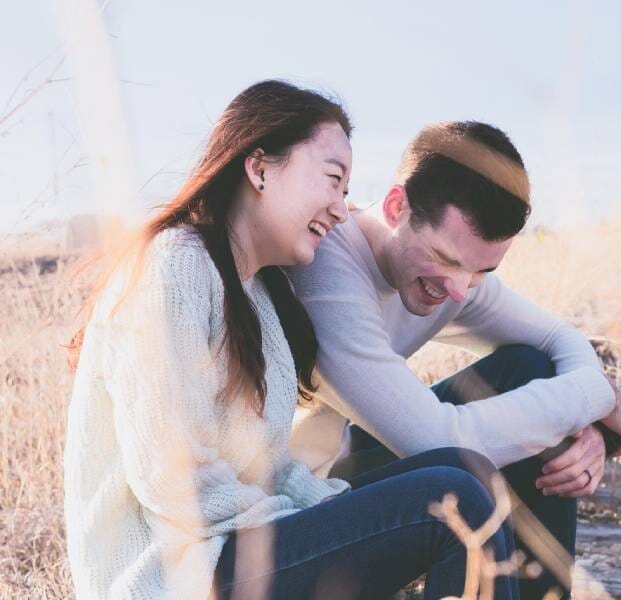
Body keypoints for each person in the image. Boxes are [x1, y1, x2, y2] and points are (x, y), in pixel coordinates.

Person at [63, 82, 519, 600]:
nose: (342, 209)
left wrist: (328, 511)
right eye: (331, 180)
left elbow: (267, 465)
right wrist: (309, 522)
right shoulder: (173, 266)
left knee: (465, 467)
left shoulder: (255, 293)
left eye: (347, 192)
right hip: (176, 576)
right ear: (259, 169)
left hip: (235, 551)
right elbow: (173, 481)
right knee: (452, 498)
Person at [286, 120, 621, 599]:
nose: (458, 289)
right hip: (287, 519)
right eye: (446, 259)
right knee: (469, 472)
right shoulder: (326, 270)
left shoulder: (457, 278)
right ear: (395, 206)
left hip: (338, 471)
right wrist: (591, 398)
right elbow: (436, 439)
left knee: (530, 368)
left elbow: (559, 338)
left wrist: (586, 423)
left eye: (482, 269)